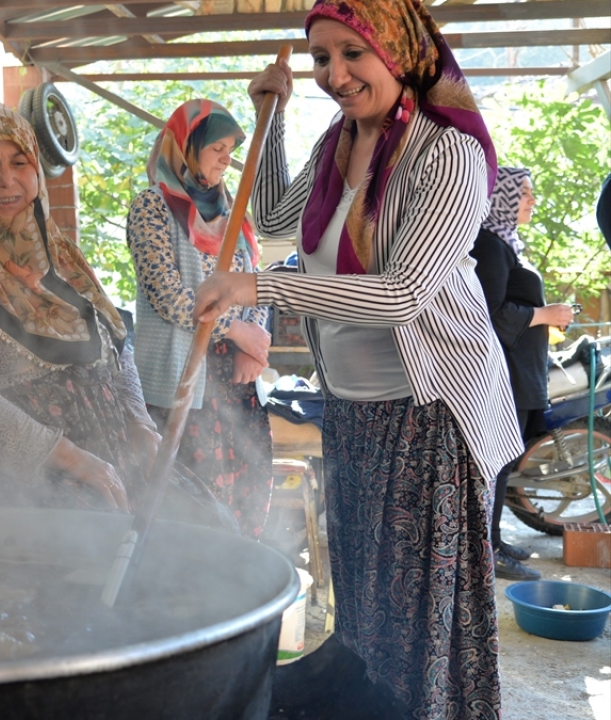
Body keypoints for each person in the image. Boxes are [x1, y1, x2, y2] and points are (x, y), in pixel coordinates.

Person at [194, 0, 522, 717]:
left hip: (428, 418)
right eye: (321, 58)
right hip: (352, 410)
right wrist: (271, 116)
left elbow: (402, 294)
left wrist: (257, 286)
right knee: (369, 611)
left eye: (353, 52)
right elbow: (278, 215)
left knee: (418, 624)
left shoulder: (449, 153)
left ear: (399, 49)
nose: (335, 75)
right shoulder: (338, 145)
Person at [0, 107, 231, 527]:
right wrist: (71, 459)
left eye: (19, 163)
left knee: (210, 524)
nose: (7, 180)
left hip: (103, 454)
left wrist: (139, 423)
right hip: (7, 471)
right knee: (97, 550)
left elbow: (115, 344)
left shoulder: (59, 256)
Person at [127, 99, 275, 539]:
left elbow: (255, 279)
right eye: (217, 148)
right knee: (192, 507)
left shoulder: (233, 215)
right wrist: (237, 330)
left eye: (231, 150)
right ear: (186, 147)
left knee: (243, 496)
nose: (227, 159)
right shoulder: (152, 209)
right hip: (184, 382)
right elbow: (168, 296)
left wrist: (256, 341)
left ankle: (238, 586)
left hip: (235, 382)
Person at [471, 166, 576, 582]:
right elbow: (490, 316)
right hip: (504, 374)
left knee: (505, 462)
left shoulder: (506, 244)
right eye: (525, 193)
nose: (532, 200)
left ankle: (493, 540)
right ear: (502, 197)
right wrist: (545, 314)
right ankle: (486, 552)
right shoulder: (490, 247)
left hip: (520, 372)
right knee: (495, 465)